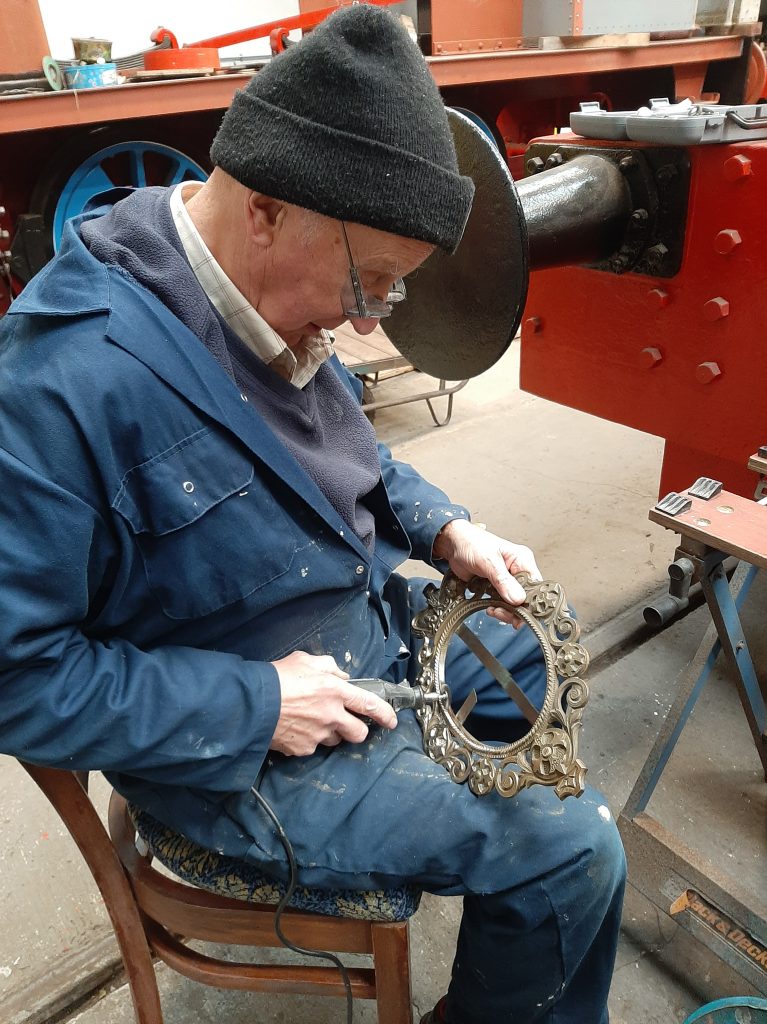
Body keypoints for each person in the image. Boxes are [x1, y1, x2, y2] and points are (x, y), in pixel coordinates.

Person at [0, 6, 625, 1022]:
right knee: (569, 850)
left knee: (548, 675)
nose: (366, 320)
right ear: (264, 211)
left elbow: (349, 451)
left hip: (361, 625)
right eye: (366, 282)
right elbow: (14, 676)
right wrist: (251, 705)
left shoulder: (260, 286)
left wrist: (442, 528)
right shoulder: (62, 378)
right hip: (236, 749)